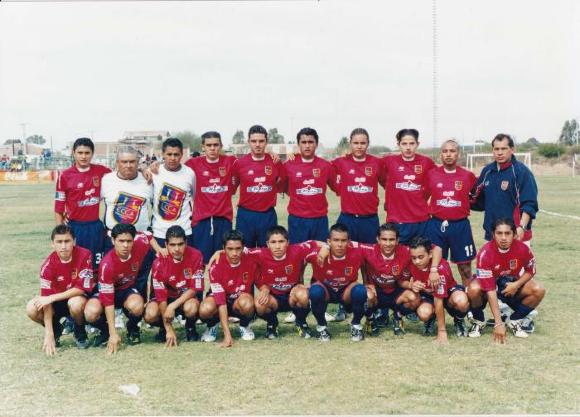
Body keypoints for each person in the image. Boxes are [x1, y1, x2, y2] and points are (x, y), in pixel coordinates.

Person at [466, 218, 545, 342]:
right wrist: (498, 324)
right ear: (493, 234)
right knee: (473, 289)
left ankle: (514, 320)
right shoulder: (485, 253)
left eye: (507, 233)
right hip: (489, 287)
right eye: (499, 233)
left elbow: (531, 270)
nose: (503, 238)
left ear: (514, 234)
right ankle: (479, 321)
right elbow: (490, 290)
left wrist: (516, 285)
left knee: (538, 289)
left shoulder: (522, 248)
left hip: (510, 284)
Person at [26, 225, 95, 355]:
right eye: (59, 242)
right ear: (53, 244)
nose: (63, 246)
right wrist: (49, 333)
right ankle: (56, 330)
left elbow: (81, 289)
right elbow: (45, 301)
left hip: (76, 298)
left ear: (74, 241)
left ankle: (79, 331)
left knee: (76, 303)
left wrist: (51, 297)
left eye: (67, 241)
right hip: (56, 304)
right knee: (31, 308)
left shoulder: (85, 254)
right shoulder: (47, 266)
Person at [84, 224, 153, 354]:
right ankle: (105, 331)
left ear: (134, 240)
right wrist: (113, 333)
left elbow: (149, 236)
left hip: (126, 291)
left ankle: (132, 328)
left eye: (129, 241)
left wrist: (160, 250)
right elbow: (109, 302)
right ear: (113, 241)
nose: (125, 245)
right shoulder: (107, 264)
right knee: (90, 313)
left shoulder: (141, 243)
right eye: (121, 241)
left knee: (138, 305)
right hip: (107, 293)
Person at [246, 226, 319, 339]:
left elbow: (315, 243)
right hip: (273, 297)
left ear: (287, 242)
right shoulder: (260, 253)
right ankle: (272, 323)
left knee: (304, 295)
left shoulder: (297, 250)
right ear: (267, 244)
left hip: (292, 295)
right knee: (259, 304)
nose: (277, 246)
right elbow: (236, 251)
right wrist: (218, 253)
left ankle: (301, 322)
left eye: (281, 241)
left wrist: (325, 248)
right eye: (273, 242)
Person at [101, 146, 153, 297]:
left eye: (132, 161)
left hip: (140, 238)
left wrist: (146, 169)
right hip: (113, 238)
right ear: (117, 163)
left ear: (138, 162)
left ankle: (137, 312)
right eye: (124, 162)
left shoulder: (148, 180)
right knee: (114, 274)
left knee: (140, 276)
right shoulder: (107, 180)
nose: (128, 165)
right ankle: (114, 308)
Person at [425, 139, 478, 284]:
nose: (448, 154)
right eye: (445, 151)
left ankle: (469, 304)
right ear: (441, 154)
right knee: (435, 267)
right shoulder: (431, 174)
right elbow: (422, 196)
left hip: (460, 226)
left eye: (452, 151)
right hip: (436, 225)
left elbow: (476, 197)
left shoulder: (468, 176)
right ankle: (437, 304)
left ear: (458, 154)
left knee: (465, 269)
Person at [54, 137, 111, 270]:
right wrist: (60, 232)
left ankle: (95, 290)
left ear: (92, 153)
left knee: (96, 265)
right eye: (80, 153)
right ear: (73, 153)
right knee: (75, 266)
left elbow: (123, 174)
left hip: (95, 227)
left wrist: (144, 170)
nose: (83, 156)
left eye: (87, 153)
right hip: (75, 227)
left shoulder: (102, 171)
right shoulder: (65, 176)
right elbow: (58, 207)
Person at [471, 133, 539, 243]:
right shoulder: (487, 171)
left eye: (504, 148)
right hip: (492, 236)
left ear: (512, 149)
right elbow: (477, 200)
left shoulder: (521, 172)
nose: (499, 152)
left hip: (516, 234)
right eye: (496, 149)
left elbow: (529, 204)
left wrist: (521, 227)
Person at [144, 226, 205, 345]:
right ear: (166, 244)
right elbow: (161, 297)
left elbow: (194, 289)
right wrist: (169, 329)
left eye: (180, 244)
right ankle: (163, 328)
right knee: (150, 314)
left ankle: (190, 327)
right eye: (172, 245)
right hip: (165, 298)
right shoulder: (159, 262)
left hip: (185, 296)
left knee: (192, 307)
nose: (177, 249)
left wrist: (172, 306)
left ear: (186, 243)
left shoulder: (196, 255)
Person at [307, 223, 368, 342]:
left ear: (348, 241)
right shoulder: (317, 253)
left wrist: (368, 283)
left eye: (343, 240)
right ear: (329, 241)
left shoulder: (357, 252)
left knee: (360, 290)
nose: (340, 244)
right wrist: (324, 246)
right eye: (335, 240)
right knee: (314, 292)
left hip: (346, 290)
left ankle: (356, 325)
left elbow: (376, 250)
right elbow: (305, 247)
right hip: (325, 290)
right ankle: (322, 327)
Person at [198, 230, 258, 347]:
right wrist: (227, 335)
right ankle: (212, 326)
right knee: (205, 309)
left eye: (238, 248)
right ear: (224, 248)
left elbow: (269, 251)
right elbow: (221, 303)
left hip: (239, 301)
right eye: (230, 249)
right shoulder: (216, 266)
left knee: (247, 302)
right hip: (220, 301)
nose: (234, 253)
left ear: (243, 248)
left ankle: (244, 325)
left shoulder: (251, 257)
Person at [358, 223, 418, 336]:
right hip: (376, 292)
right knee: (363, 295)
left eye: (391, 240)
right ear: (378, 239)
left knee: (414, 298)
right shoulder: (368, 249)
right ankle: (370, 320)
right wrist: (326, 247)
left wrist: (434, 269)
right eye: (384, 239)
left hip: (396, 292)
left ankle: (397, 318)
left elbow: (434, 249)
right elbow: (346, 244)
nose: (388, 243)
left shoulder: (406, 251)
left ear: (397, 240)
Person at [185, 131, 237, 263]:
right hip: (202, 221)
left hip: (224, 220)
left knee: (225, 260)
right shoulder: (193, 164)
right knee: (200, 261)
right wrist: (153, 167)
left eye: (216, 144)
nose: (212, 148)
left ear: (221, 145)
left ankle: (221, 284)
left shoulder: (230, 161)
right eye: (209, 145)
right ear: (203, 146)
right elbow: (173, 170)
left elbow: (253, 161)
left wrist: (270, 155)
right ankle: (199, 284)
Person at [407, 236, 470, 342]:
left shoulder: (440, 269)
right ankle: (430, 318)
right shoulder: (410, 263)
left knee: (461, 301)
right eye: (414, 258)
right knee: (423, 313)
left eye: (421, 257)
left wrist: (441, 331)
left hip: (447, 294)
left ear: (430, 254)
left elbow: (439, 300)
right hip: (429, 295)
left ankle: (458, 320)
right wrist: (411, 284)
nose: (417, 261)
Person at [280, 127, 336, 244]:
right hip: (297, 220)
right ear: (298, 144)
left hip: (319, 220)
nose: (307, 146)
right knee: (297, 259)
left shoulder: (325, 165)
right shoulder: (288, 165)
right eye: (303, 142)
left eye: (310, 142)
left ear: (316, 144)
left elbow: (337, 187)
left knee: (320, 258)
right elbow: (282, 187)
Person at [231, 125, 284, 248]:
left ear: (266, 142)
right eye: (254, 141)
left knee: (267, 253)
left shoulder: (275, 162)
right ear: (248, 142)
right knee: (244, 253)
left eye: (261, 141)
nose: (258, 144)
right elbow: (231, 188)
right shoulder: (239, 164)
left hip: (267, 215)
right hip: (246, 215)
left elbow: (282, 186)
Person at [331, 128, 385, 244]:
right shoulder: (341, 162)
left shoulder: (377, 163)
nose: (359, 146)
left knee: (369, 257)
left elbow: (388, 185)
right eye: (356, 143)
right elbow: (318, 165)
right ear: (350, 143)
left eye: (363, 143)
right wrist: (298, 155)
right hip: (347, 218)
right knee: (344, 255)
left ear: (368, 144)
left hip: (369, 219)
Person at [382, 129, 435, 245]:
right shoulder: (388, 161)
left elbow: (435, 183)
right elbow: (371, 167)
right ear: (398, 145)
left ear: (417, 144)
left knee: (423, 258)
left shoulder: (427, 163)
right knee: (400, 259)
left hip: (422, 221)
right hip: (398, 222)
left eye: (412, 143)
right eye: (404, 144)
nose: (408, 147)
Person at [151, 138, 196, 251]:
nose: (172, 158)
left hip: (184, 231)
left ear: (181, 154)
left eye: (176, 154)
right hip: (160, 232)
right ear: (163, 154)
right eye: (169, 154)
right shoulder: (154, 172)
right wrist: (143, 169)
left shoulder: (189, 173)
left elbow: (194, 196)